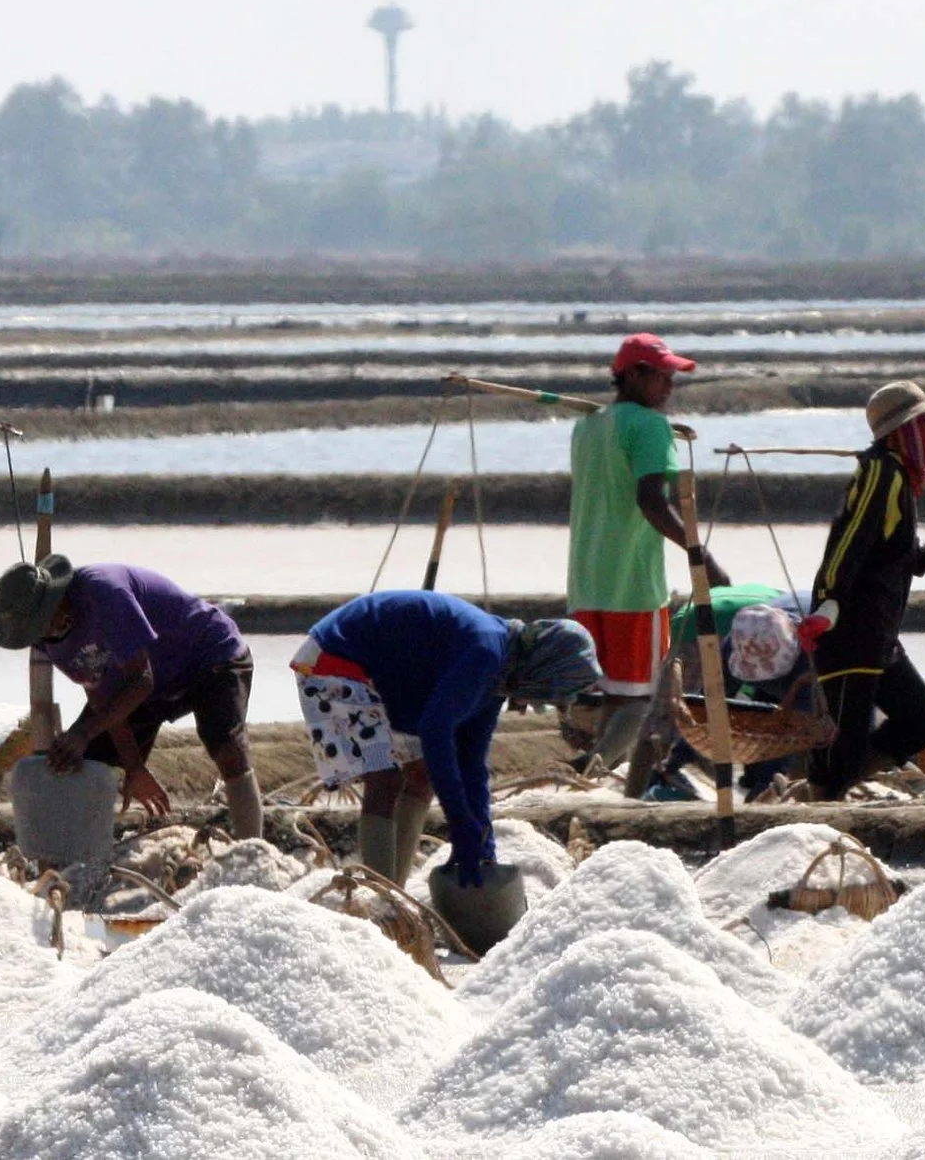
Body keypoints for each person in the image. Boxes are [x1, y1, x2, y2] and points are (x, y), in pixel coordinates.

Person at [294, 591, 600, 890]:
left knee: (420, 776)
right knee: (384, 779)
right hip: (335, 656)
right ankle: (381, 896)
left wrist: (483, 844)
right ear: (543, 666)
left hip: (380, 671)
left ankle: (395, 895)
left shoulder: (500, 673)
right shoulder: (486, 653)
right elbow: (435, 731)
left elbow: (472, 762)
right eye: (549, 689)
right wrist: (459, 820)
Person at [801, 382, 925, 800]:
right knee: (847, 748)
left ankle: (833, 785)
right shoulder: (881, 472)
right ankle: (823, 797)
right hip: (849, 633)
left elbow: (901, 551)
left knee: (922, 719)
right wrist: (828, 606)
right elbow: (849, 542)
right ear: (899, 432)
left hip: (877, 638)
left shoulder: (898, 479)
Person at [0, 558, 263, 840]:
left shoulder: (104, 593)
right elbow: (101, 695)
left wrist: (84, 731)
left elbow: (141, 680)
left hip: (208, 656)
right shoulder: (47, 641)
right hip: (146, 685)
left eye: (42, 625)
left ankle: (253, 847)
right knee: (86, 759)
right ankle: (81, 856)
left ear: (55, 603)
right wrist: (133, 766)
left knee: (225, 747)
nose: (43, 636)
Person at [569, 333, 726, 795]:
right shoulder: (649, 427)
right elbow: (651, 502)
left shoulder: (589, 424)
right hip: (632, 585)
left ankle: (604, 784)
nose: (670, 386)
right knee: (643, 701)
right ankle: (590, 778)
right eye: (662, 376)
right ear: (633, 375)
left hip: (585, 582)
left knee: (617, 697)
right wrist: (702, 557)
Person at [647, 588, 816, 800]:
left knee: (799, 751)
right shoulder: (736, 646)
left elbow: (792, 731)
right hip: (776, 672)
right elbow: (709, 708)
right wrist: (676, 758)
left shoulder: (809, 656)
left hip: (811, 673)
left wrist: (765, 788)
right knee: (760, 726)